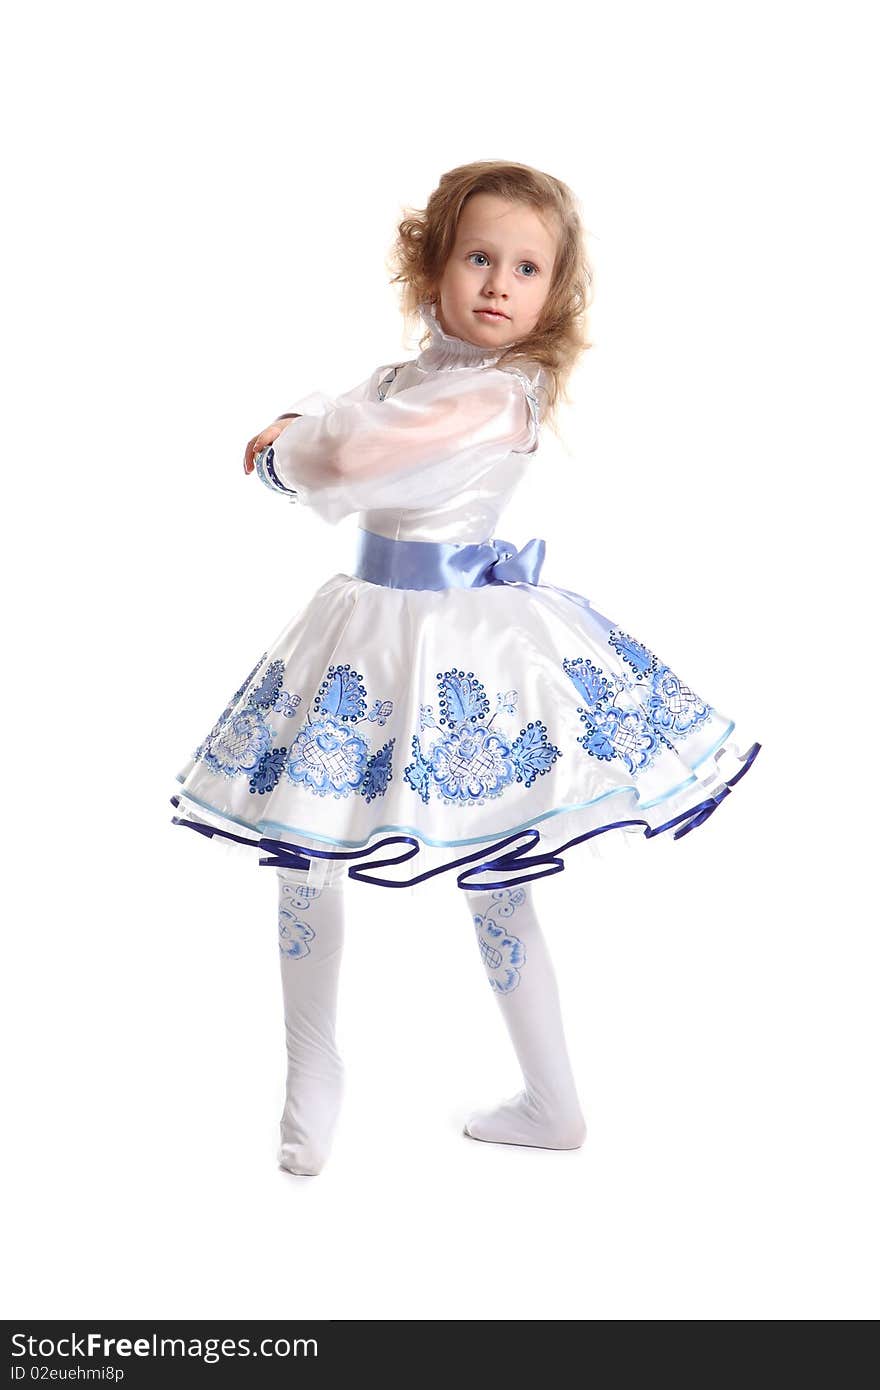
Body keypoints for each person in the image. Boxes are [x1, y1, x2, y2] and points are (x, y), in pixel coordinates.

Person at [170, 160, 762, 1176]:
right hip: (363, 629)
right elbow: (351, 422)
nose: (498, 282)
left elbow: (349, 462)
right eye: (478, 256)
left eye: (526, 267)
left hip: (463, 651)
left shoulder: (500, 395)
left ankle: (552, 1099)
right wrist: (303, 429)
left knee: (494, 872)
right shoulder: (401, 380)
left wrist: (280, 450)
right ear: (432, 268)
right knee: (305, 849)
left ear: (551, 294)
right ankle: (311, 1071)